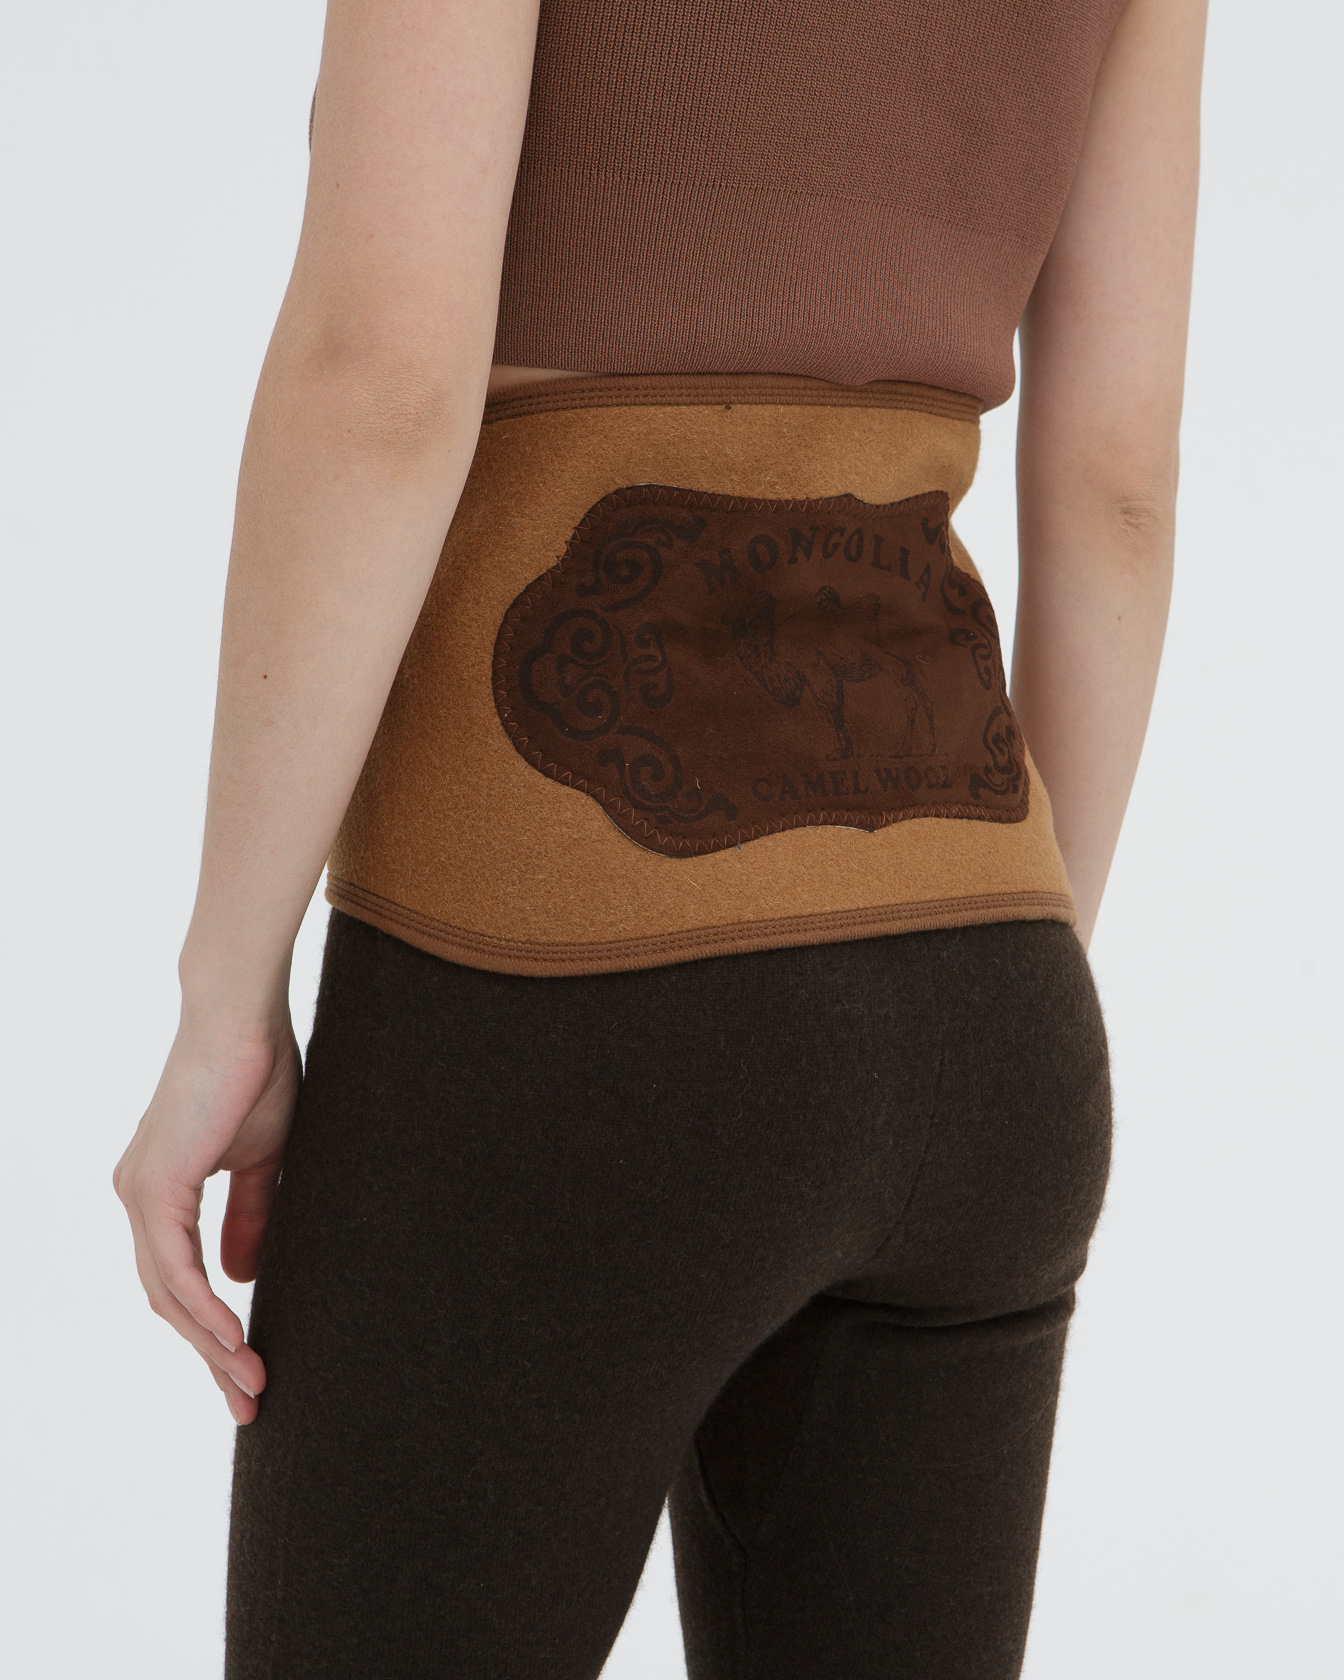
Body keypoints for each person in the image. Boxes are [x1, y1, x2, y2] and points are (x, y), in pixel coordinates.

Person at [113, 0, 1206, 1674]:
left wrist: (227, 999)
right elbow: (1120, 483)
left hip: (555, 991)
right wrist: (989, 962)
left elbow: (383, 376)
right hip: (990, 1005)